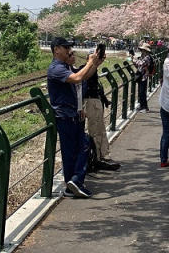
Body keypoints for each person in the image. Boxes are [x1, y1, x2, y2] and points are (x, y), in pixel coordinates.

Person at [47, 37, 101, 197]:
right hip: (64, 116)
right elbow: (77, 78)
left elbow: (83, 76)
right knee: (71, 151)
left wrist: (95, 63)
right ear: (57, 49)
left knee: (82, 146)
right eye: (66, 48)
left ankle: (74, 182)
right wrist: (90, 62)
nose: (69, 51)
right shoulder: (56, 68)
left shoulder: (65, 67)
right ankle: (73, 183)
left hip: (73, 114)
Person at [82, 43, 121, 172]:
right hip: (90, 103)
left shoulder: (93, 68)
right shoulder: (84, 69)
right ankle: (95, 159)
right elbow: (86, 78)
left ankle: (102, 156)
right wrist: (94, 63)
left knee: (100, 130)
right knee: (95, 131)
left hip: (95, 102)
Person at [135, 42, 154, 112]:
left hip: (144, 76)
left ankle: (145, 107)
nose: (141, 51)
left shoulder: (147, 57)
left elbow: (141, 64)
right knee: (140, 92)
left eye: (142, 50)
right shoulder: (144, 57)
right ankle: (142, 106)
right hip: (141, 76)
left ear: (145, 50)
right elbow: (138, 65)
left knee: (142, 92)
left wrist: (134, 59)